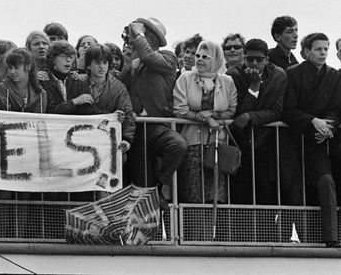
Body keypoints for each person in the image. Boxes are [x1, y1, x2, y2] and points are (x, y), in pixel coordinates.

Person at [282, 33, 341, 247]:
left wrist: (328, 127)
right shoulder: (293, 73)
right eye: (318, 49)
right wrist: (313, 120)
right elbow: (288, 110)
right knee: (293, 189)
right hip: (292, 141)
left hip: (318, 141)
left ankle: (331, 237)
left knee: (326, 180)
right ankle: (289, 239)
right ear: (307, 52)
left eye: (325, 49)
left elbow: (336, 108)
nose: (323, 53)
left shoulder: (334, 75)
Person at [121, 17, 187, 206]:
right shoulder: (132, 62)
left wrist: (139, 35)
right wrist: (129, 62)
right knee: (142, 185)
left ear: (155, 40)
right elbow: (121, 88)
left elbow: (150, 57)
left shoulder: (168, 57)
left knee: (177, 145)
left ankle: (159, 185)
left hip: (156, 126)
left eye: (143, 33)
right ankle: (150, 219)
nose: (135, 37)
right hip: (135, 130)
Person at [226, 38, 299, 205]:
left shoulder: (278, 75)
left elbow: (276, 112)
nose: (253, 63)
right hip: (240, 144)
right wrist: (254, 86)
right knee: (240, 196)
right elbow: (239, 114)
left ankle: (266, 232)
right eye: (249, 58)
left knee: (266, 195)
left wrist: (251, 117)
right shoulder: (233, 75)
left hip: (266, 145)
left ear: (266, 59)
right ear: (244, 58)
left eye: (259, 59)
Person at [173, 40, 237, 204]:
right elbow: (180, 109)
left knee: (215, 198)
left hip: (217, 146)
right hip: (192, 145)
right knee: (193, 197)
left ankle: (210, 231)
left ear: (216, 59)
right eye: (198, 56)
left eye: (206, 57)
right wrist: (206, 119)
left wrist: (215, 114)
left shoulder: (227, 81)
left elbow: (232, 110)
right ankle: (193, 231)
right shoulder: (185, 78)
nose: (199, 59)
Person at [68, 44, 135, 151]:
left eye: (105, 62)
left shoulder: (119, 88)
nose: (102, 66)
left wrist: (127, 139)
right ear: (88, 65)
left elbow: (127, 114)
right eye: (97, 63)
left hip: (107, 141)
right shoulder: (76, 82)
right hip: (80, 138)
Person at [0, 48, 47, 113]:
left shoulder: (41, 93)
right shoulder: (2, 88)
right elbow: (5, 117)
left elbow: (38, 120)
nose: (12, 71)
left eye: (16, 67)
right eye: (10, 67)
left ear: (28, 67)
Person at [41, 41, 82, 114]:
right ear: (52, 59)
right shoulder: (44, 80)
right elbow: (50, 110)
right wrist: (74, 102)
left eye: (71, 57)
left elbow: (85, 109)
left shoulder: (75, 79)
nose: (68, 60)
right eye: (64, 56)